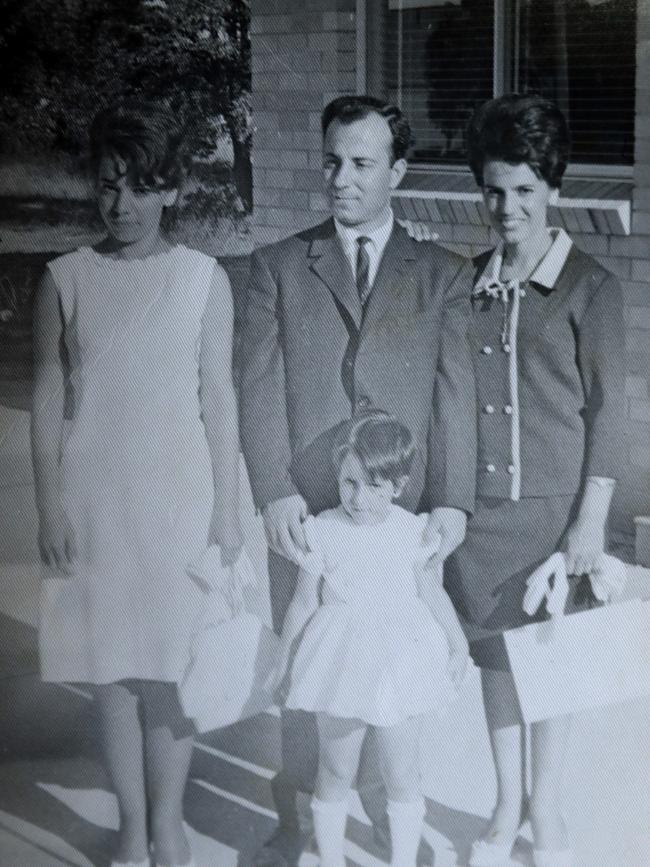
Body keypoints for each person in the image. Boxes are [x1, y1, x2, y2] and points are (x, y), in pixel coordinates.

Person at [239, 94, 477, 865]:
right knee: (313, 659)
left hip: (398, 509)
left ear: (397, 172)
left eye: (363, 164)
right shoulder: (279, 265)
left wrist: (452, 501)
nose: (342, 178)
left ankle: (390, 809)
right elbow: (259, 389)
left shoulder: (440, 274)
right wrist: (275, 489)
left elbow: (454, 397)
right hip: (314, 508)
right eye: (333, 161)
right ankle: (308, 820)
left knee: (396, 677)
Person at [31, 102, 242, 867]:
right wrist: (50, 502)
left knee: (172, 664)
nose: (121, 205)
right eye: (107, 186)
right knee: (114, 667)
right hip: (98, 499)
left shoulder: (202, 279)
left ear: (172, 190)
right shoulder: (64, 279)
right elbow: (49, 398)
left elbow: (218, 399)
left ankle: (169, 823)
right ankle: (130, 827)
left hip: (178, 498)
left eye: (140, 187)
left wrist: (228, 511)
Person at [442, 93, 625, 867]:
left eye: (523, 189)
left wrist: (590, 519)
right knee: (496, 663)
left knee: (552, 667)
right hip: (486, 520)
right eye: (493, 188)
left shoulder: (591, 287)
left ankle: (545, 810)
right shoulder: (465, 286)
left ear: (551, 187)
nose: (507, 206)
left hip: (558, 519)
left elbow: (613, 412)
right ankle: (504, 802)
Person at [273, 412, 469, 867]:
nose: (358, 499)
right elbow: (304, 603)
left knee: (400, 773)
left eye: (374, 487)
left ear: (398, 487)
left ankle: (402, 859)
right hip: (340, 661)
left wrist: (457, 644)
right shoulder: (322, 530)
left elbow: (432, 593)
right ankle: (329, 857)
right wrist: (284, 662)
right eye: (349, 483)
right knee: (336, 768)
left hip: (399, 662)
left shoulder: (414, 532)